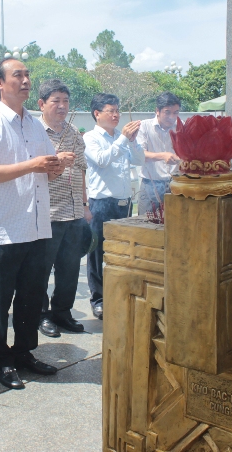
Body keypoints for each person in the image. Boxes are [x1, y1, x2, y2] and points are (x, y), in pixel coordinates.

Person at [0, 58, 70, 390]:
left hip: (38, 222)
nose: (26, 80)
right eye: (18, 75)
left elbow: (43, 168)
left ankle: (24, 352)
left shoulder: (34, 125)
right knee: (0, 301)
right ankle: (0, 360)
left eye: (27, 75)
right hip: (6, 225)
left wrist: (54, 167)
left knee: (32, 295)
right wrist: (33, 165)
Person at [36, 80, 90, 338]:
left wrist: (84, 204)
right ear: (42, 104)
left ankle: (63, 312)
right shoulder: (35, 132)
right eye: (55, 101)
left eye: (65, 101)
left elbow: (81, 170)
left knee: (69, 267)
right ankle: (41, 315)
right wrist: (57, 160)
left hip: (74, 212)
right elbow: (31, 169)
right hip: (48, 212)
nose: (61, 106)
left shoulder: (73, 134)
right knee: (41, 268)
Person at [84, 93, 144, 320]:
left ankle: (118, 293)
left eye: (117, 110)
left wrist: (134, 140)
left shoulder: (122, 136)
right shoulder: (91, 137)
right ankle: (98, 299)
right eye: (111, 110)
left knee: (122, 251)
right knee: (97, 252)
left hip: (124, 203)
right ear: (97, 114)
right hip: (102, 203)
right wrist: (123, 140)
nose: (116, 114)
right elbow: (101, 159)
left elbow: (139, 160)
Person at [137, 92, 181, 215]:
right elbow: (140, 155)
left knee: (175, 225)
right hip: (150, 184)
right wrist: (163, 155)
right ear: (157, 111)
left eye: (175, 112)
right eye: (167, 112)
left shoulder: (182, 127)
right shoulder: (144, 127)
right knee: (146, 226)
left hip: (176, 185)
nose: (172, 117)